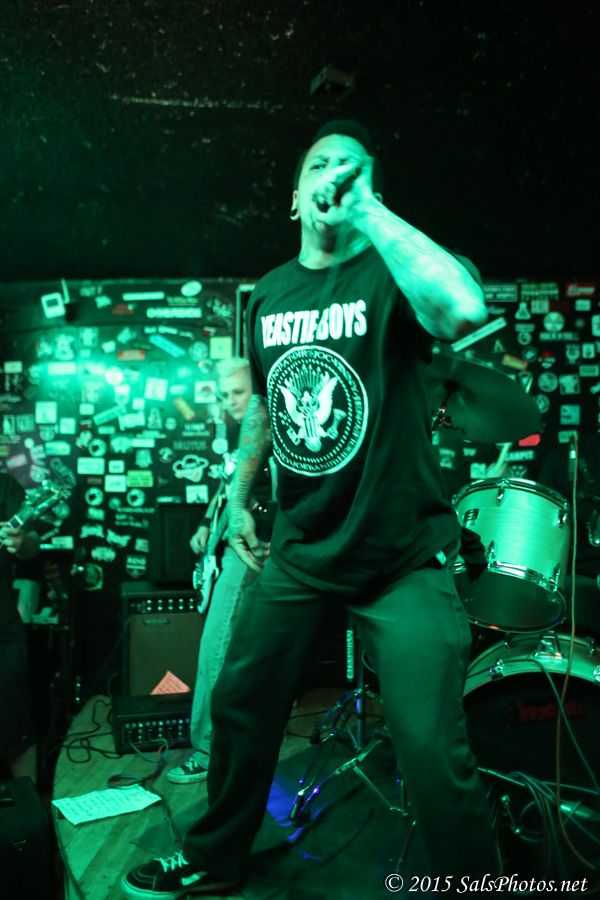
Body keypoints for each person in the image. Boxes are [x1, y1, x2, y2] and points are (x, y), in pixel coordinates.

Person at [122, 120, 501, 898]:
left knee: (430, 744)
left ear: (372, 191)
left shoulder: (395, 271)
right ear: (295, 199)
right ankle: (215, 857)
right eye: (321, 165)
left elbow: (464, 311)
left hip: (400, 555)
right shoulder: (268, 293)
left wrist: (369, 212)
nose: (336, 174)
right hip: (302, 548)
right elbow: (265, 403)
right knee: (240, 702)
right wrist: (238, 496)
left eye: (354, 168)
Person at [166, 357, 275, 785]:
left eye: (239, 392)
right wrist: (204, 524)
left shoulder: (272, 431)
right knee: (227, 649)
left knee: (217, 646)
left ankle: (209, 751)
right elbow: (230, 483)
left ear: (259, 391)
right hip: (226, 544)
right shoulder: (236, 429)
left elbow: (281, 497)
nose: (231, 401)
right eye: (225, 394)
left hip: (249, 551)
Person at [0, 472, 41, 783]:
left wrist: (21, 542)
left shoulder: (4, 485)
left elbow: (31, 545)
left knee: (16, 729)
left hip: (2, 627)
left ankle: (31, 807)